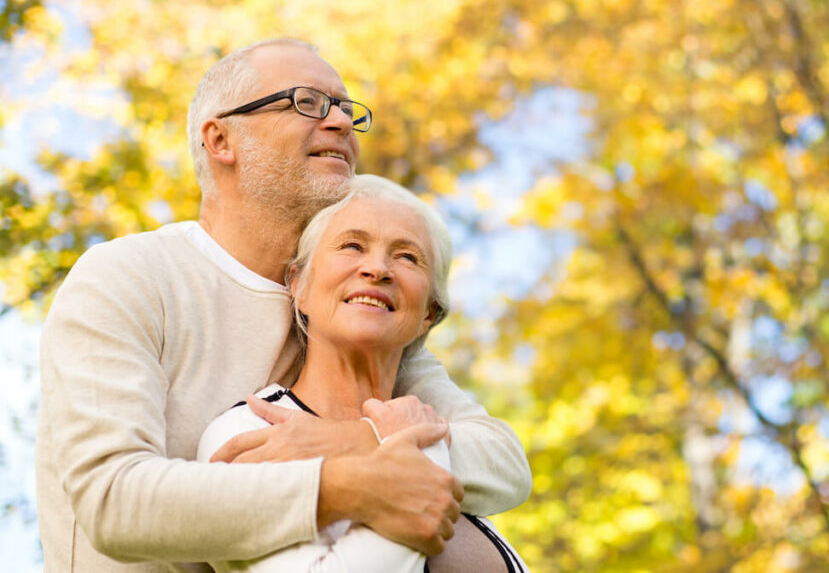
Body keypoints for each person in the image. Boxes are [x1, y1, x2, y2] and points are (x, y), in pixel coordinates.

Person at [35, 38, 531, 572]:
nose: (341, 121)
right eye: (307, 102)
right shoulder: (131, 276)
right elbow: (114, 501)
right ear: (221, 139)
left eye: (344, 108)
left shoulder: (347, 311)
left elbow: (501, 462)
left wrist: (355, 440)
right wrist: (344, 485)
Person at [196, 174, 527, 572]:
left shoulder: (429, 426)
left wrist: (383, 439)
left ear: (428, 315)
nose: (377, 268)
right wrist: (415, 449)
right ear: (299, 286)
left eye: (407, 256)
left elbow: (511, 471)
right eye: (352, 246)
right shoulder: (251, 431)